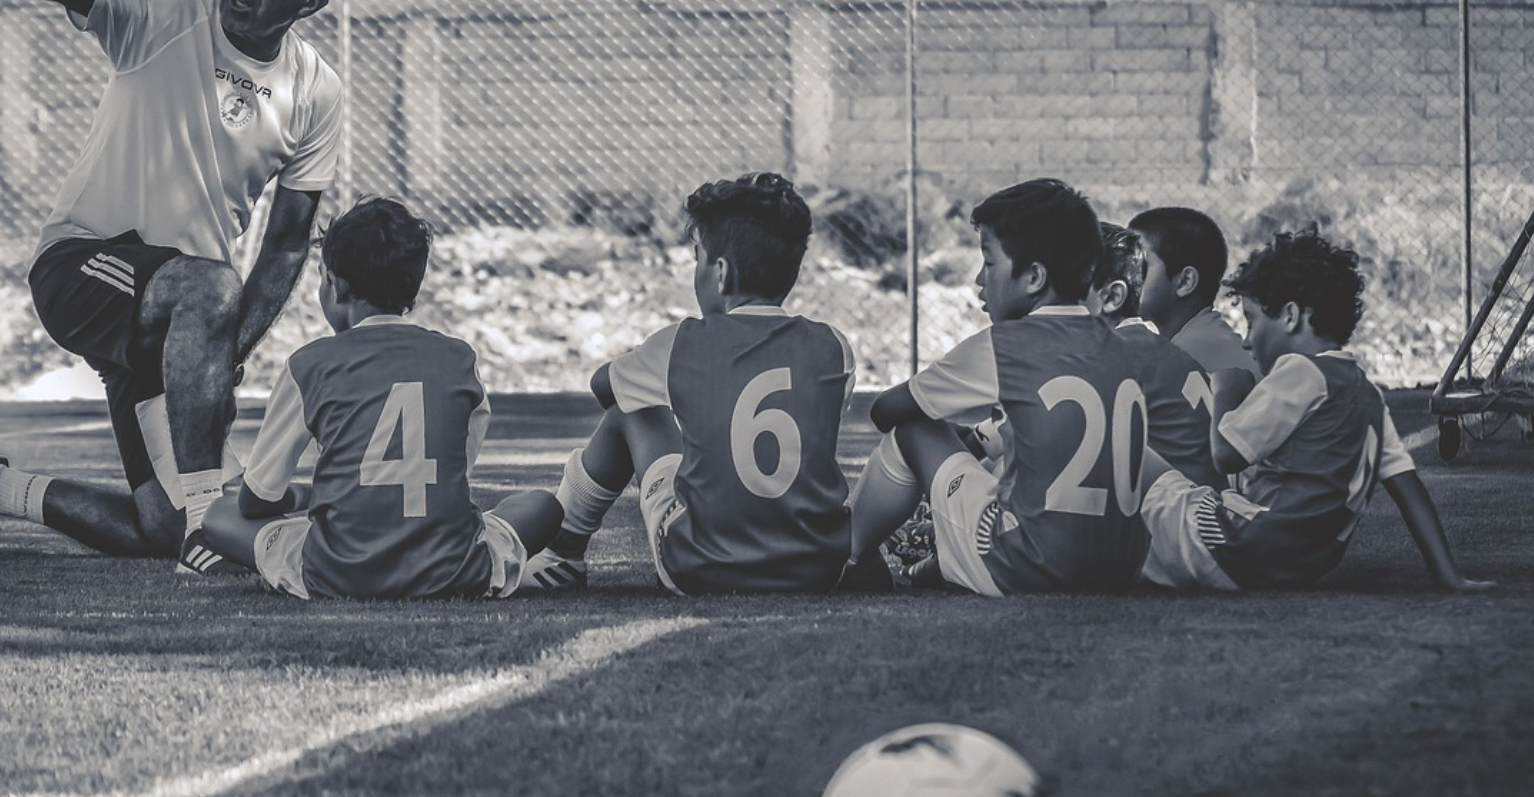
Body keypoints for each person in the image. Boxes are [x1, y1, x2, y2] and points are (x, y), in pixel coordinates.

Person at [0, 0, 345, 574]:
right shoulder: (162, 15)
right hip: (82, 266)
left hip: (177, 321)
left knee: (154, 525)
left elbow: (284, 244)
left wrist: (226, 352)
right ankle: (204, 526)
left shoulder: (317, 91)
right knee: (211, 302)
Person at [198, 198, 562, 599]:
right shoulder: (460, 359)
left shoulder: (310, 365)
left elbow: (254, 502)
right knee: (543, 506)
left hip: (339, 572)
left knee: (217, 516)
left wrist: (305, 495)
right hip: (454, 569)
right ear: (412, 290)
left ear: (335, 286)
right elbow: (451, 473)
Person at [519, 172, 856, 595]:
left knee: (632, 411)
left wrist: (662, 381)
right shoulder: (834, 346)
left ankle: (561, 554)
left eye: (697, 259)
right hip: (818, 569)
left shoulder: (680, 343)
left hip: (701, 566)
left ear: (720, 272)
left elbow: (603, 385)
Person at [1139, 226, 1490, 592]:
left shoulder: (1302, 371)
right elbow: (1409, 489)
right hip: (1295, 568)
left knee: (1132, 452)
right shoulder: (1368, 395)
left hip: (1232, 548)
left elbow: (1225, 455)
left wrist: (1225, 387)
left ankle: (1094, 552)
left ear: (1290, 316)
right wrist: (1448, 576)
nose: (1245, 339)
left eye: (1252, 320)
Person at [846, 179, 1151, 595]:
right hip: (1123, 569)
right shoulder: (1125, 349)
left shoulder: (1005, 346)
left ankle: (846, 556)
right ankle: (927, 568)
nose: (977, 279)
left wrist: (945, 425)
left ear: (1034, 278)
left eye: (988, 263)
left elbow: (886, 411)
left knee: (915, 432)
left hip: (1028, 567)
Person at [1091, 223, 1224, 489]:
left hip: (1176, 518)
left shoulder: (1112, 355)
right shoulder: (1158, 349)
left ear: (1113, 297)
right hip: (1206, 508)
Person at [1128, 206, 1261, 378]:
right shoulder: (1208, 337)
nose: (1125, 275)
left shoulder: (1181, 359)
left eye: (1138, 266)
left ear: (1185, 282)